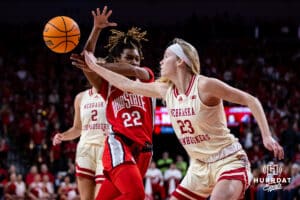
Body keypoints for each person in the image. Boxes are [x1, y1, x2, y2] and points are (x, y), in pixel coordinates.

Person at [83, 37, 284, 200]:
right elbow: (128, 85)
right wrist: (94, 66)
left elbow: (251, 100)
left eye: (166, 56)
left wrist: (267, 136)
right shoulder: (165, 90)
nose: (160, 61)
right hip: (198, 168)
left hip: (228, 161)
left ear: (180, 61)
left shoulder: (205, 86)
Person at [70, 6, 155, 200]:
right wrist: (97, 29)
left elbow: (133, 71)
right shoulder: (106, 85)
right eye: (129, 58)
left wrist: (95, 65)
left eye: (137, 58)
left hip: (143, 151)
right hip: (118, 145)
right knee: (136, 195)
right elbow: (87, 57)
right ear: (117, 58)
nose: (134, 62)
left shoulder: (146, 76)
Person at [52, 86, 109, 200]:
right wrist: (63, 136)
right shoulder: (80, 97)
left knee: (101, 197)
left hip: (106, 148)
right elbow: (78, 128)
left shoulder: (113, 93)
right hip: (85, 149)